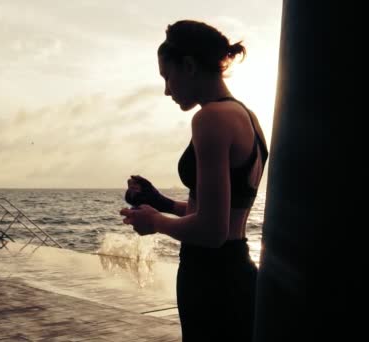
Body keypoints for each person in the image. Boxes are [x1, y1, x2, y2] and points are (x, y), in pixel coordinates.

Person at [119, 20, 269, 342]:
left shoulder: (210, 118)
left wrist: (155, 222)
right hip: (236, 272)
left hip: (211, 278)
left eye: (167, 77)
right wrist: (161, 202)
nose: (167, 90)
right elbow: (222, 212)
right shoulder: (247, 117)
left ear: (189, 66)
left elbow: (212, 232)